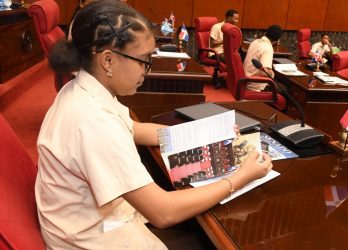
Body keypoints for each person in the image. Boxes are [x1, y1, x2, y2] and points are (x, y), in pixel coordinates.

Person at [35, 1, 273, 249]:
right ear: (108, 60)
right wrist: (240, 178)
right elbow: (163, 212)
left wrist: (199, 134)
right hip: (90, 236)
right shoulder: (93, 122)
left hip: (85, 220)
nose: (146, 71)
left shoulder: (86, 89)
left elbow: (135, 129)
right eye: (143, 60)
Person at [243, 25, 282, 91]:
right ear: (277, 40)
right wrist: (273, 73)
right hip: (255, 85)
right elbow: (265, 72)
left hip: (245, 79)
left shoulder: (255, 42)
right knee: (284, 90)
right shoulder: (267, 48)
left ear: (265, 33)